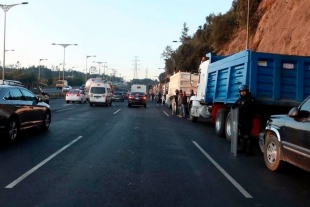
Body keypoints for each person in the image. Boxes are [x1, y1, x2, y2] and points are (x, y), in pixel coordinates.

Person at [232, 84, 256, 156]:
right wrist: (234, 106)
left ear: (247, 91)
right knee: (242, 135)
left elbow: (246, 107)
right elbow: (235, 105)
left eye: (244, 91)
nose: (242, 93)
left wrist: (239, 106)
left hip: (248, 120)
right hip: (241, 120)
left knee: (247, 136)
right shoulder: (240, 100)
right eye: (241, 92)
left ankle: (249, 151)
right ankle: (243, 149)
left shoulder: (250, 99)